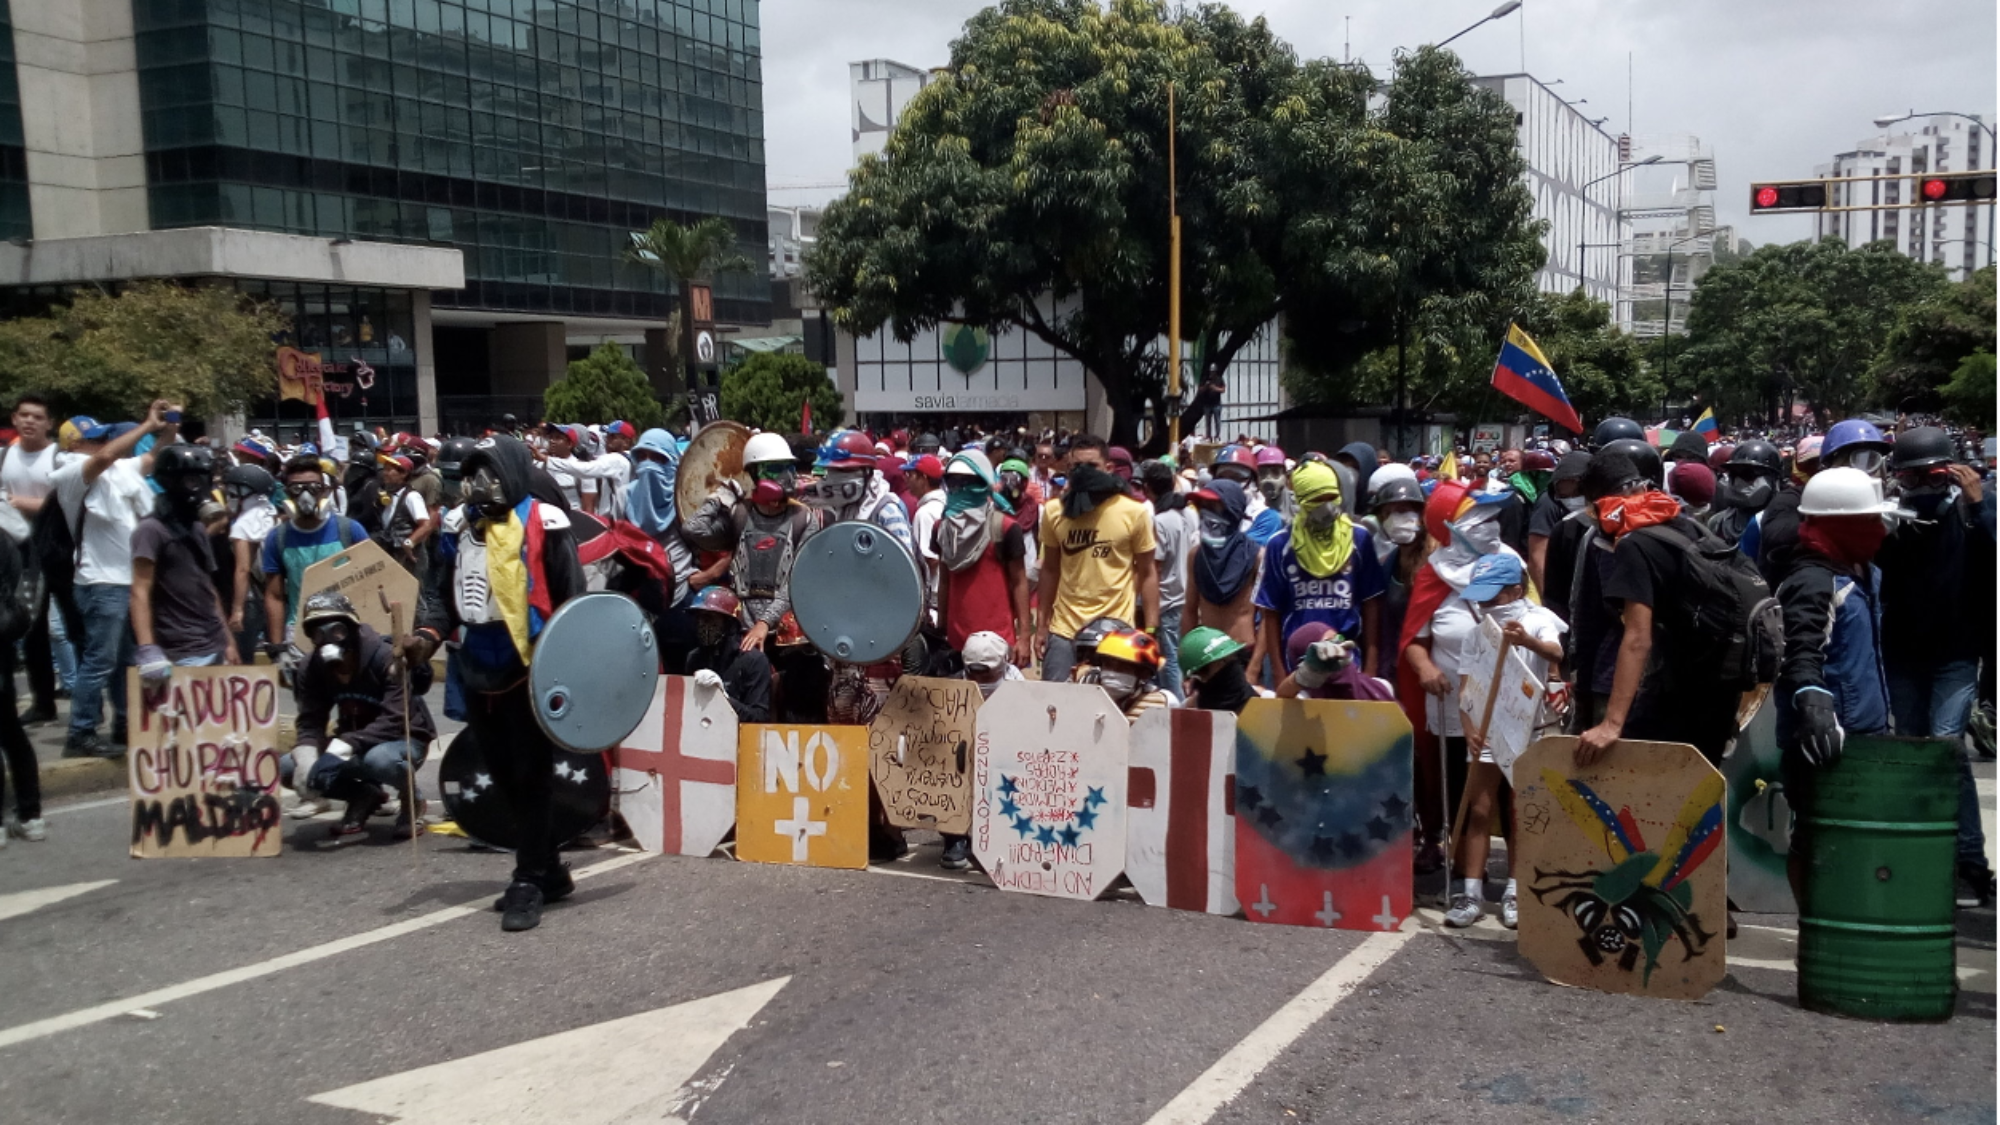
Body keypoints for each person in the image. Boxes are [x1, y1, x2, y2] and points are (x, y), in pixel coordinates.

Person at [406, 436, 587, 932]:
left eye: (488, 471)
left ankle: (527, 878)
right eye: (472, 473)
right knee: (504, 775)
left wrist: (564, 667)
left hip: (528, 666)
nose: (478, 484)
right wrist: (425, 637)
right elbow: (439, 597)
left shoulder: (545, 523)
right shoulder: (457, 530)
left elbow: (573, 598)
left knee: (530, 775)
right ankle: (548, 869)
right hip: (475, 667)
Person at [1876, 428, 1996, 907]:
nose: (1923, 483)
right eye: (1913, 474)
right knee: (1910, 747)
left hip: (1955, 653)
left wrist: (1977, 504)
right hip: (1904, 653)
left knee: (1947, 748)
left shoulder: (1972, 516)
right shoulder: (1894, 520)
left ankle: (1969, 863)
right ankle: (1918, 852)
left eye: (1932, 473)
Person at [1772, 467, 1898, 904]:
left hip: (1867, 735)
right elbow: (1801, 648)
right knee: (1816, 841)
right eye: (1868, 521)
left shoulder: (1863, 572)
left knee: (1860, 844)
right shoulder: (1813, 581)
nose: (1879, 529)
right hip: (1826, 744)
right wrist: (1812, 700)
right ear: (1840, 525)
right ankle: (1818, 938)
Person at [1575, 451, 1742, 768]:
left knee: (1644, 805)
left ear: (1602, 502)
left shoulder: (1633, 544)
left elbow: (1638, 637)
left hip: (1674, 697)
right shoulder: (1687, 525)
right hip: (1718, 692)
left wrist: (1612, 724)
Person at [1440, 553, 1564, 930]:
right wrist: (1470, 728)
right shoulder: (1477, 635)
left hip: (1530, 729)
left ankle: (1516, 889)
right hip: (1487, 730)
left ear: (1515, 590)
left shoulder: (1539, 620)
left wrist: (1527, 640)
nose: (1486, 605)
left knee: (1520, 811)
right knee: (1479, 809)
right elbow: (1466, 690)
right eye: (1481, 598)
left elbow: (1556, 652)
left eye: (1493, 596)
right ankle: (1471, 892)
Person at [51, 402, 182, 757]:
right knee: (99, 660)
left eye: (101, 437)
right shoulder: (69, 473)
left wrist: (168, 425)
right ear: (72, 445)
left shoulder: (116, 471)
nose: (101, 442)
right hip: (100, 581)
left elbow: (153, 456)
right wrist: (143, 426)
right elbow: (106, 456)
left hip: (128, 580)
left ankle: (126, 724)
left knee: (127, 660)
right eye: (91, 439)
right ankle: (81, 731)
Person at [289, 592, 436, 844]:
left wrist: (341, 747)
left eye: (336, 631)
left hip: (401, 741)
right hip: (354, 744)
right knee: (289, 767)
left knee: (379, 759)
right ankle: (362, 795)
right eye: (318, 634)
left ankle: (412, 799)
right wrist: (306, 758)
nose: (327, 641)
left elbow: (396, 719)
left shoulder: (386, 657)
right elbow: (310, 720)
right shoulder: (311, 668)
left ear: (352, 629)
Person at [1034, 435, 1158, 684]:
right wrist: (1042, 625)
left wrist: (1151, 629)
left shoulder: (1134, 513)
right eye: (1077, 467)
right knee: (1053, 707)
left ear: (1108, 468)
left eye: (1091, 467)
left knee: (1113, 710)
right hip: (1064, 629)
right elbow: (1049, 570)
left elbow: (1147, 572)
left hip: (1115, 629)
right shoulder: (1054, 511)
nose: (1083, 473)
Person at [1254, 461, 1386, 678]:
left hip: (1350, 662)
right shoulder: (1280, 545)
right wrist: (1278, 673)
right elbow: (1271, 613)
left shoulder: (1359, 540)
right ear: (1302, 501)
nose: (1326, 506)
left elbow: (1371, 605)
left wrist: (1370, 670)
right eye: (1317, 500)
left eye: (1330, 497)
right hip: (1295, 666)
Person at [131, 442, 237, 692]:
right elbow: (139, 590)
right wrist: (147, 648)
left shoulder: (197, 528)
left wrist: (228, 641)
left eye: (204, 480)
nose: (200, 488)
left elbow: (207, 587)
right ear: (171, 481)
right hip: (178, 649)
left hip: (213, 644)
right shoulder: (151, 530)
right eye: (192, 480)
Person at [261, 453, 370, 666]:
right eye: (297, 488)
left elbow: (374, 580)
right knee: (310, 698)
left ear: (324, 491)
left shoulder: (349, 530)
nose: (305, 496)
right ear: (286, 493)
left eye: (313, 487)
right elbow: (274, 596)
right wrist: (277, 648)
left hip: (349, 631)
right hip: (301, 636)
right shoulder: (278, 537)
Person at [933, 449, 1031, 664]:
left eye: (968, 481)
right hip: (956, 641)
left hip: (997, 643)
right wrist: (941, 627)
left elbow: (1019, 582)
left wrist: (1024, 638)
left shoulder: (1004, 527)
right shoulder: (942, 529)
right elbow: (945, 580)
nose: (961, 488)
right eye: (954, 481)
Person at [3, 394, 64, 722]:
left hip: (58, 553)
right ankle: (43, 703)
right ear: (14, 419)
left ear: (49, 423)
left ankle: (89, 703)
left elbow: (65, 505)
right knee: (32, 630)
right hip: (19, 557)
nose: (29, 421)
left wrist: (18, 502)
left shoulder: (58, 457)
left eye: (37, 417)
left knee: (76, 629)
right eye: (23, 415)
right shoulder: (4, 457)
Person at [1184, 480, 1259, 654]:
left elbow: (1268, 618)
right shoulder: (1196, 556)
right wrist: (1187, 660)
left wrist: (1254, 668)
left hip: (1242, 651)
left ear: (1232, 511)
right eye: (1203, 506)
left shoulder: (1255, 556)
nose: (1206, 512)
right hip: (1207, 654)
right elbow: (1189, 611)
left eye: (1213, 506)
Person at [683, 587, 773, 723]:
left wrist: (723, 699)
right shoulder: (695, 658)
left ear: (729, 623)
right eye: (699, 619)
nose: (703, 625)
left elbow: (759, 718)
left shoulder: (753, 660)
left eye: (710, 619)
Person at [1367, 475, 1427, 679]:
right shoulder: (1385, 565)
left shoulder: (1437, 566)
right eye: (1387, 514)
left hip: (1430, 673)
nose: (1394, 518)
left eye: (1402, 511)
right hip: (1393, 671)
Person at [1140, 459, 1190, 690]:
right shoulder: (1187, 514)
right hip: (1185, 598)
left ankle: (1175, 707)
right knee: (1179, 659)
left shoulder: (1159, 522)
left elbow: (1154, 568)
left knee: (1168, 662)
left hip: (1167, 601)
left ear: (1148, 489)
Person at [1525, 451, 1590, 620]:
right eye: (1563, 492)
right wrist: (1550, 606)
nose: (1570, 498)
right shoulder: (1550, 504)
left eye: (1576, 489)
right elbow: (1537, 556)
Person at [1278, 624, 1393, 701]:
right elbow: (1282, 699)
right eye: (1329, 643)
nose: (1338, 647)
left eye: (1338, 639)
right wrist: (1306, 674)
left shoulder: (1381, 687)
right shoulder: (1304, 700)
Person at [1708, 439, 1784, 551]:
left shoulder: (1781, 528)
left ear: (1773, 480)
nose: (1738, 482)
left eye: (1748, 474)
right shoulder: (1718, 523)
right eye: (1734, 474)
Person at [1084, 628, 1173, 719]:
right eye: (1108, 665)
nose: (1112, 673)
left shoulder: (1163, 703)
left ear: (1144, 674)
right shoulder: (1082, 693)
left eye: (1123, 667)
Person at [376, 452, 436, 581]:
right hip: (394, 553)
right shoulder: (388, 495)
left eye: (389, 470)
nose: (385, 473)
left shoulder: (411, 497)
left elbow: (426, 525)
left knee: (414, 597)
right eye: (384, 469)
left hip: (410, 557)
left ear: (403, 474)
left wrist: (410, 542)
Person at [1178, 626, 1259, 712]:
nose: (1229, 666)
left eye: (1232, 659)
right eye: (1201, 672)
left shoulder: (1266, 704)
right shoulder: (1188, 713)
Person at [540, 424, 598, 512]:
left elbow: (588, 507)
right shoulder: (541, 465)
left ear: (569, 444)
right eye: (551, 437)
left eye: (558, 438)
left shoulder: (582, 469)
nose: (552, 441)